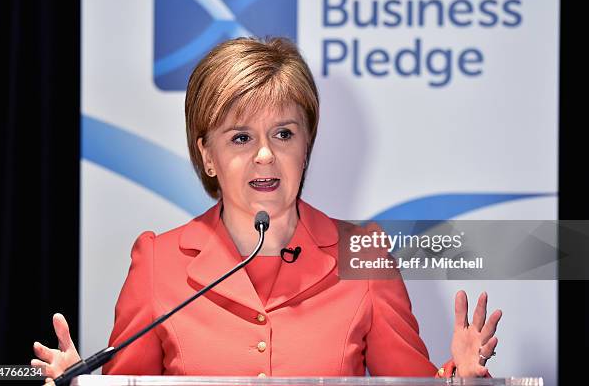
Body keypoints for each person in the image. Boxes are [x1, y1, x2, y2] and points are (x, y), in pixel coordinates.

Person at [31, 37, 501, 382]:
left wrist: (456, 376)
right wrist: (85, 383)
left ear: (306, 145)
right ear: (207, 156)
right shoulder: (159, 261)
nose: (264, 155)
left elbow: (409, 382)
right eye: (240, 137)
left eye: (284, 134)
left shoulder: (363, 253)